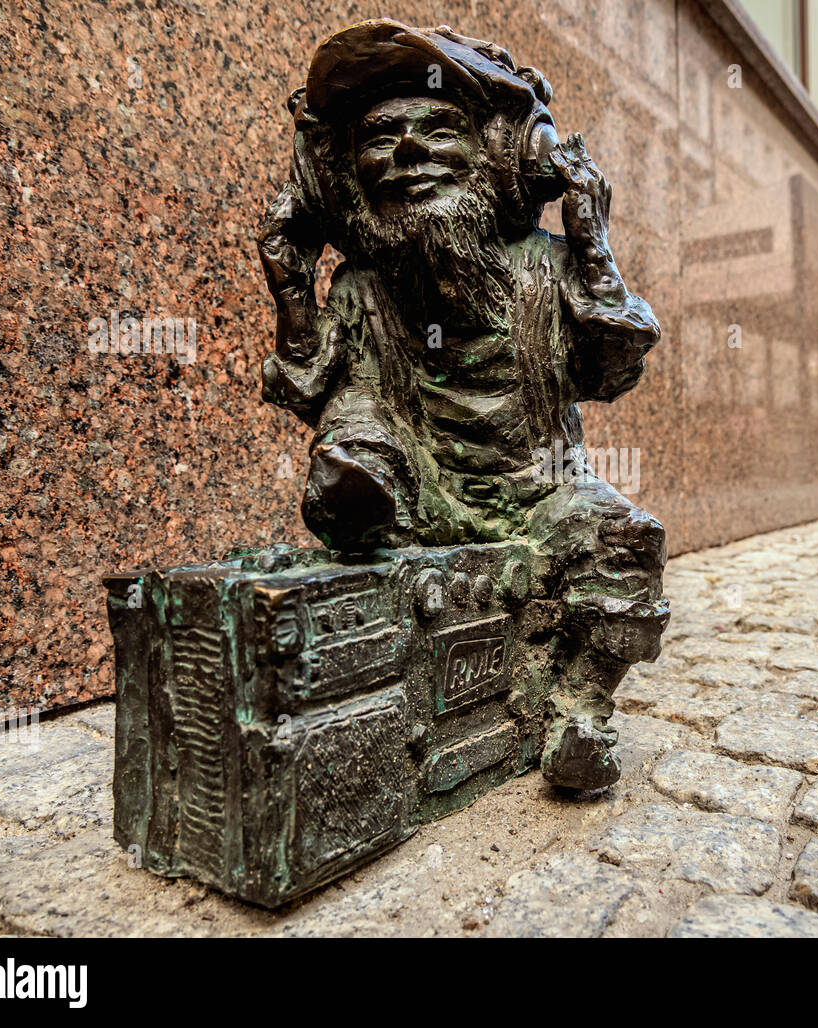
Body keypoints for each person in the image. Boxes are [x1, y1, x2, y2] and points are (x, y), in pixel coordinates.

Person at [256, 21, 668, 790]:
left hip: (541, 497)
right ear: (341, 173)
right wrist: (289, 283)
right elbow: (307, 380)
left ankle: (579, 710)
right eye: (380, 138)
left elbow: (612, 368)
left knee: (623, 543)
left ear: (505, 157)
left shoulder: (544, 271)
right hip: (411, 491)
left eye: (437, 129)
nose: (406, 153)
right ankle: (367, 495)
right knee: (353, 431)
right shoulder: (361, 289)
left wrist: (590, 237)